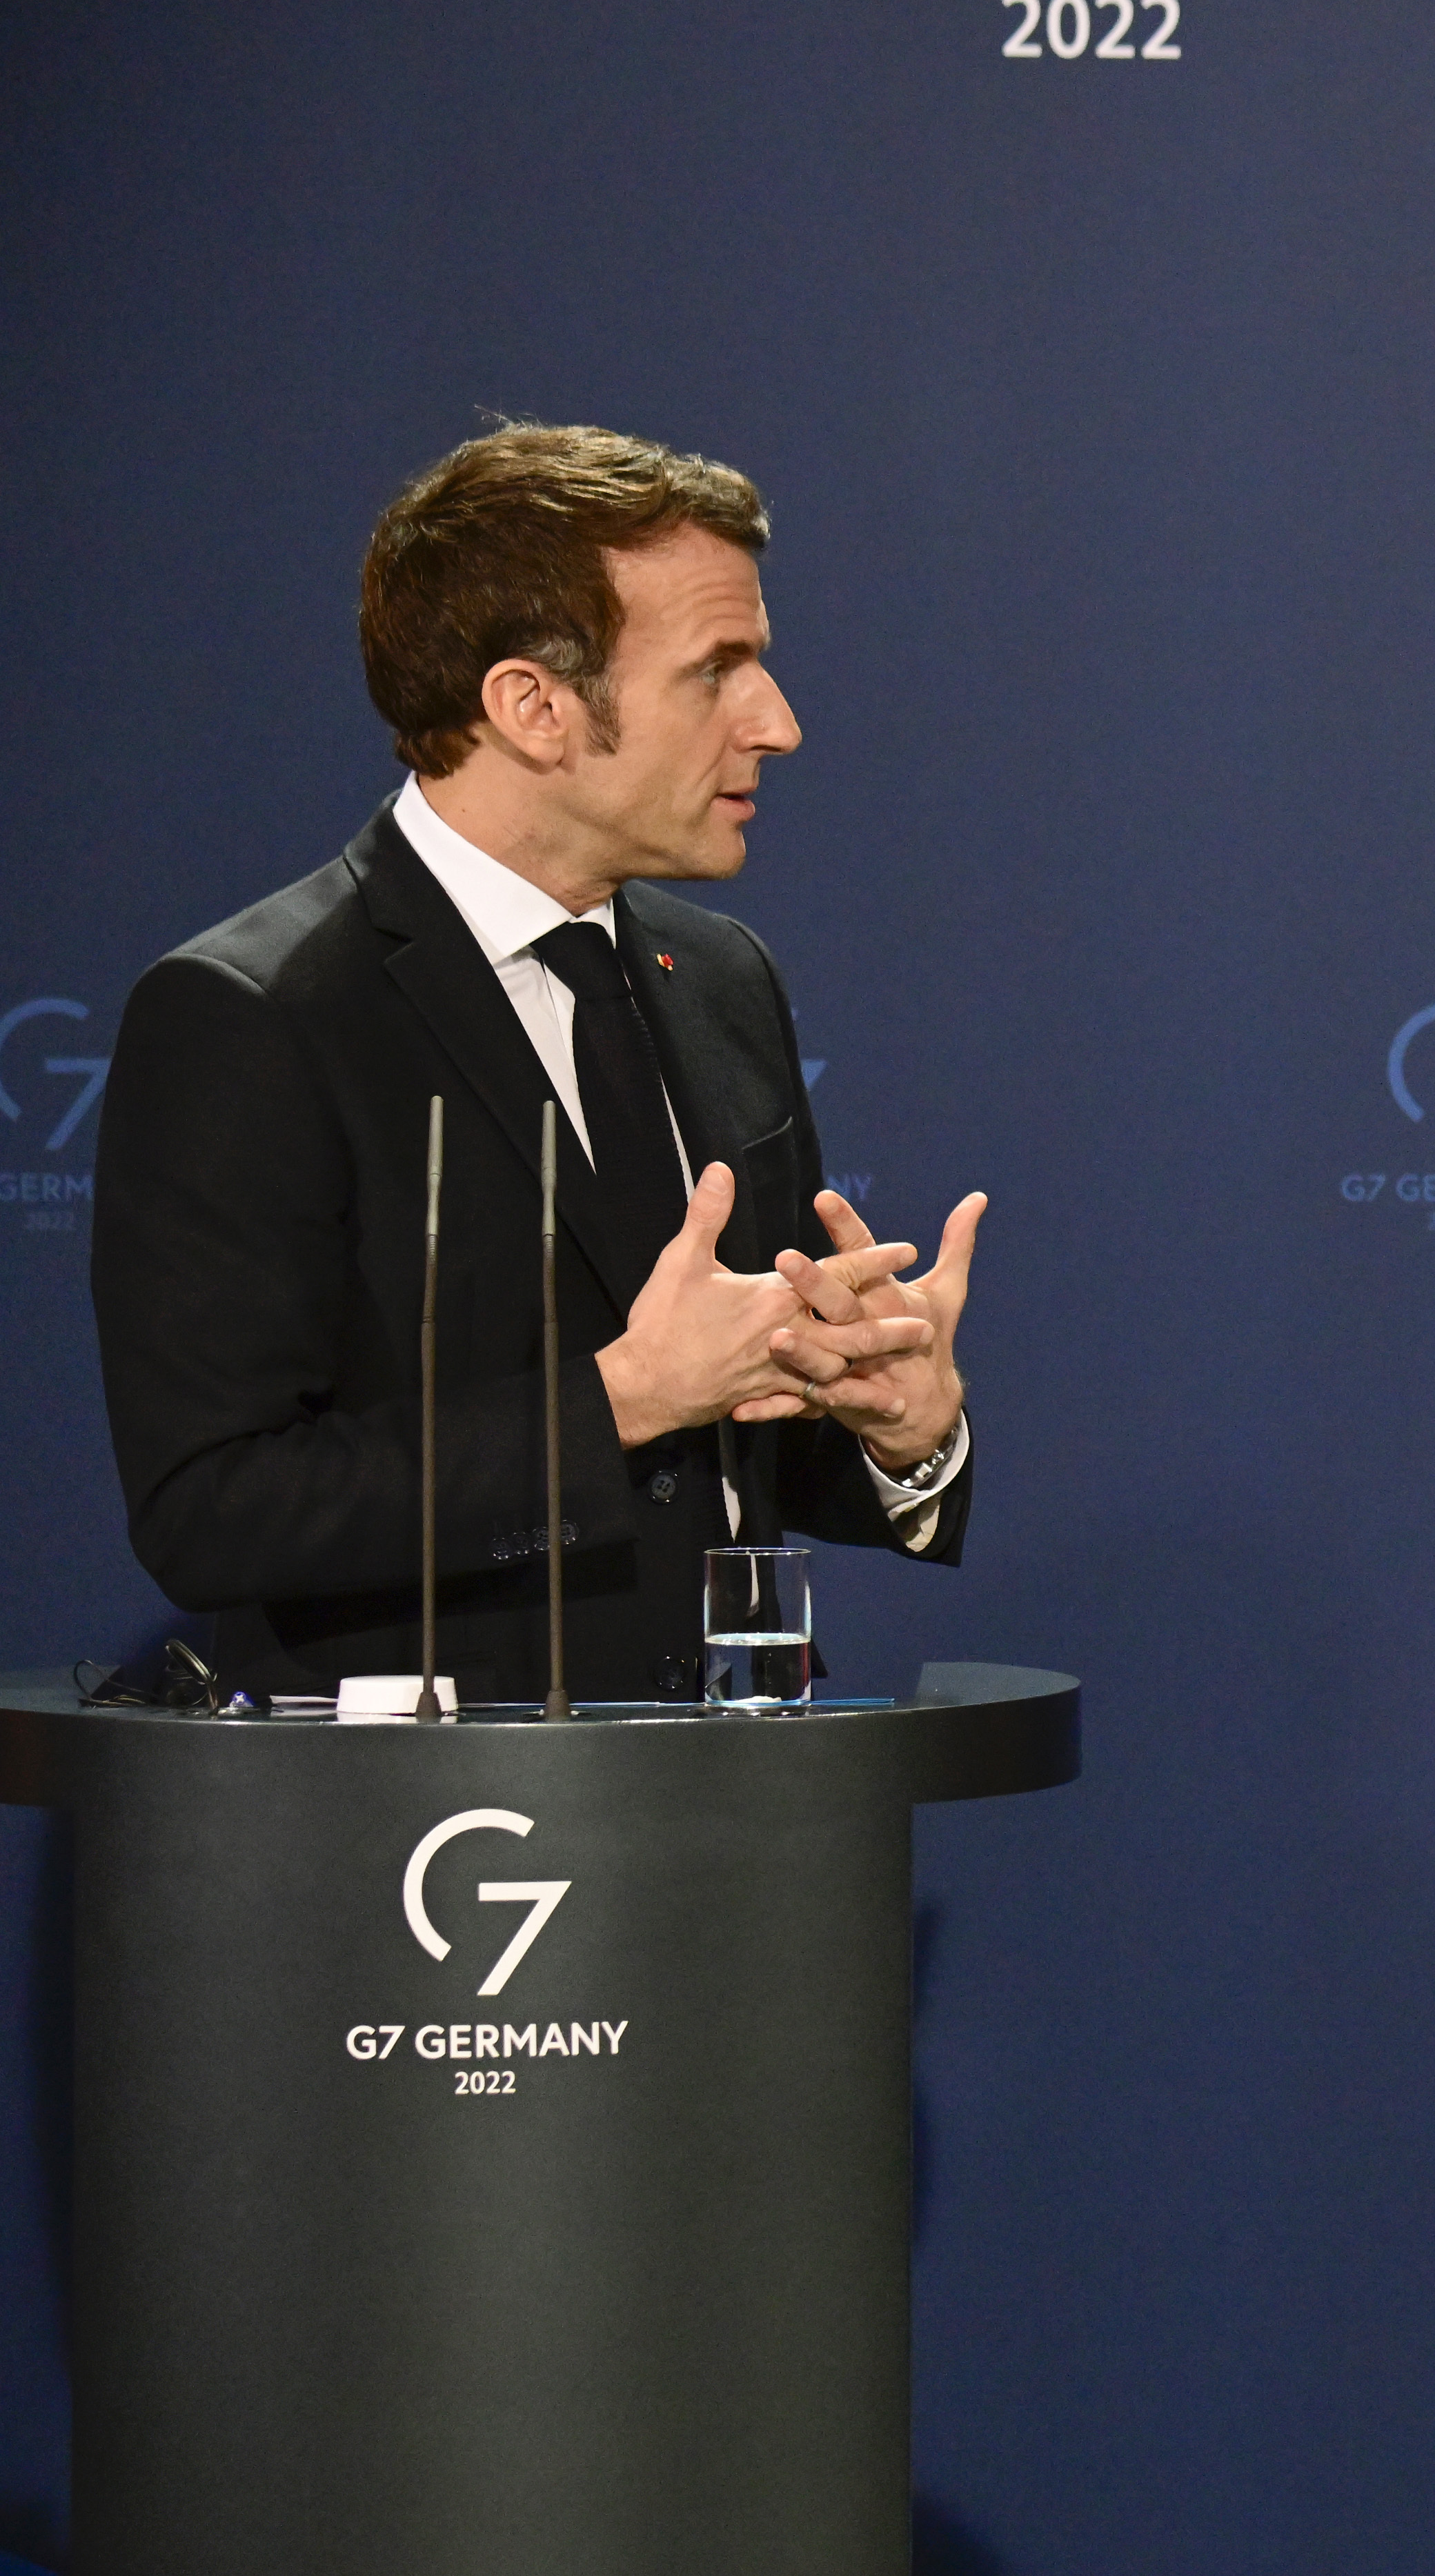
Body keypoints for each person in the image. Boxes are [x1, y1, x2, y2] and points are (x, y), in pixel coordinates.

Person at [89, 423, 987, 1700]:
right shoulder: (260, 1013)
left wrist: (899, 1431)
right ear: (533, 708)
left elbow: (728, 1450)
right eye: (716, 670)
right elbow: (212, 1508)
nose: (776, 724)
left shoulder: (723, 977)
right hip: (429, 1843)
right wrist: (619, 1396)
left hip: (752, 1818)